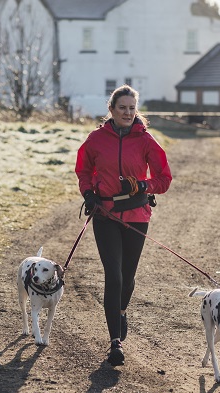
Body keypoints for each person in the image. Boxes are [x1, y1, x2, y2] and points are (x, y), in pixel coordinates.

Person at [74, 85, 173, 366]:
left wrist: (144, 184)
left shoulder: (146, 141)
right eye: (122, 108)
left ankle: (120, 311)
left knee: (128, 278)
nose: (128, 113)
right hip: (105, 215)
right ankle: (115, 343)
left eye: (132, 108)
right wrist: (89, 194)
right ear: (112, 109)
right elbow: (83, 170)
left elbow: (164, 178)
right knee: (114, 276)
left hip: (136, 215)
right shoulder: (96, 139)